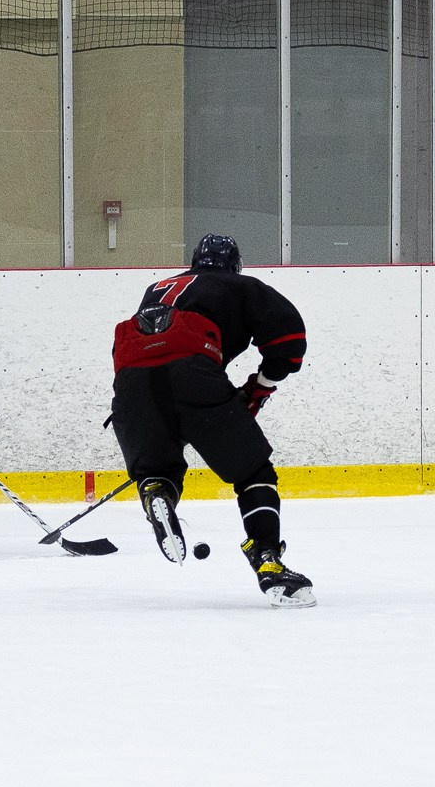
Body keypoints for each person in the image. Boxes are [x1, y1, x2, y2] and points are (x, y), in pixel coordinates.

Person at [111, 233, 313, 606]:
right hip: (193, 374)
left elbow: (157, 353)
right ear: (235, 265)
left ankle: (156, 490)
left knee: (161, 465)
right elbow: (289, 337)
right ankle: (268, 560)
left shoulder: (158, 287)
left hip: (131, 385)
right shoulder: (241, 285)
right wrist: (259, 388)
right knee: (254, 474)